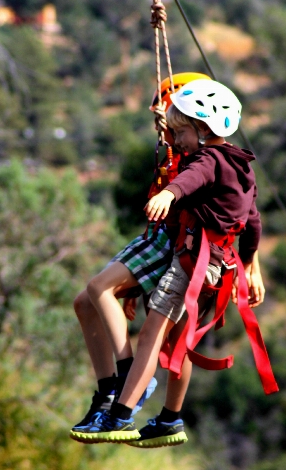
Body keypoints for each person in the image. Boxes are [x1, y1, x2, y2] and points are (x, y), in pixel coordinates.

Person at [71, 79, 267, 444]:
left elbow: (193, 176)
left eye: (182, 133)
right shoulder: (241, 167)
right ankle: (168, 420)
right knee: (178, 341)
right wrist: (249, 262)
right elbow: (253, 222)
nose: (176, 141)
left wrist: (169, 193)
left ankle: (119, 415)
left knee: (152, 335)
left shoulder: (208, 159)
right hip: (217, 265)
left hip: (193, 261)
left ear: (204, 129)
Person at [70, 74, 211, 437]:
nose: (163, 127)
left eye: (169, 120)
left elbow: (240, 206)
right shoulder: (175, 148)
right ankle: (110, 393)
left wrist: (251, 262)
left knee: (167, 332)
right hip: (161, 236)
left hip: (177, 244)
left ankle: (128, 382)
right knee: (86, 302)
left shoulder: (199, 155)